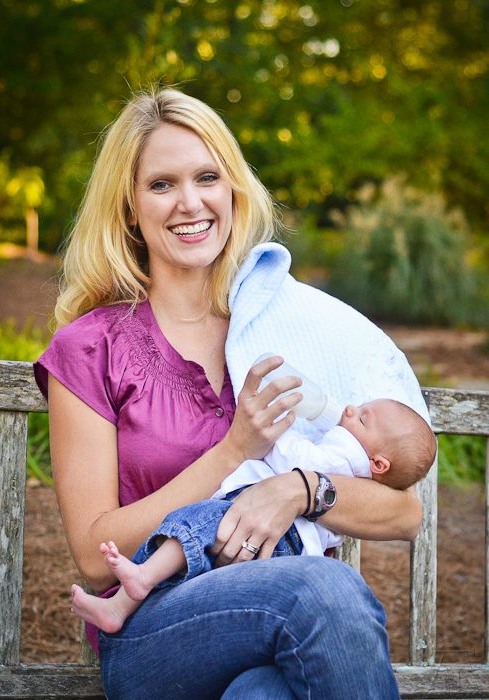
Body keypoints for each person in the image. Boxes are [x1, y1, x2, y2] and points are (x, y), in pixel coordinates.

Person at [33, 86, 428, 699]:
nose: (190, 203)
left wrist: (297, 490)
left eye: (207, 177)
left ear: (233, 189)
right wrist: (234, 451)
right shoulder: (91, 347)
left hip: (280, 626)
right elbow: (92, 552)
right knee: (323, 588)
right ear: (129, 207)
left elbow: (404, 513)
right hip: (153, 628)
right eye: (161, 184)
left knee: (265, 694)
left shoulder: (286, 326)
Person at [69, 397, 436, 635]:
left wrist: (271, 433)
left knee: (194, 524)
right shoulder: (359, 467)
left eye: (364, 418)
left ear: (379, 463)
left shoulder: (346, 455)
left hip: (277, 536)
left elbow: (296, 460)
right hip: (280, 548)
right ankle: (126, 598)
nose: (351, 409)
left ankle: (138, 583)